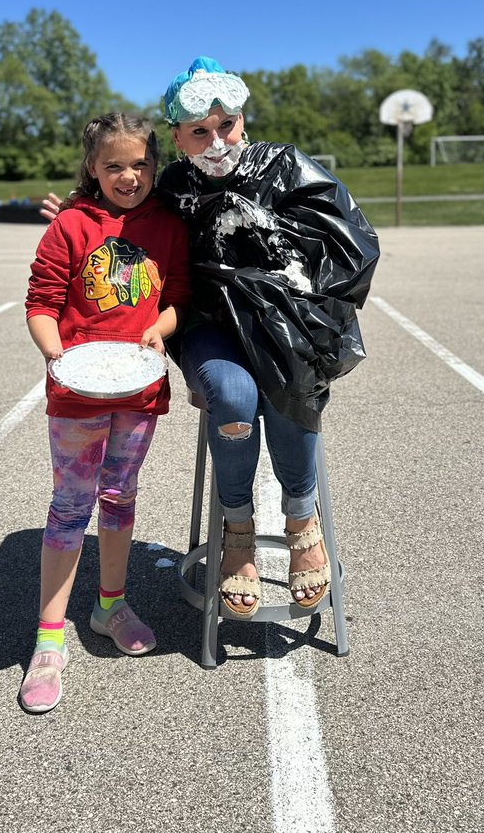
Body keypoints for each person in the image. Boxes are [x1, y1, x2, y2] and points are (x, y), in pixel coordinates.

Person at [43, 58, 379, 621]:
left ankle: (301, 518)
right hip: (205, 325)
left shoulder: (286, 166)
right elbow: (121, 213)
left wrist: (304, 311)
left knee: (288, 379)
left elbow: (353, 244)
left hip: (286, 324)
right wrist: (75, 212)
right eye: (200, 131)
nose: (216, 140)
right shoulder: (172, 183)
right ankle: (239, 527)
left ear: (244, 121)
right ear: (176, 138)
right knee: (233, 393)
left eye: (227, 126)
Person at [21, 112, 191, 715]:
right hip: (78, 395)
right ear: (92, 168)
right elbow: (40, 303)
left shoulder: (169, 225)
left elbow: (176, 298)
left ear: (156, 166)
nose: (128, 175)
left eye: (140, 163)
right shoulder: (69, 225)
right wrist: (58, 357)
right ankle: (48, 637)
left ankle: (110, 605)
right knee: (71, 503)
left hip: (138, 389)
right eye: (113, 165)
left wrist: (157, 330)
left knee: (120, 495)